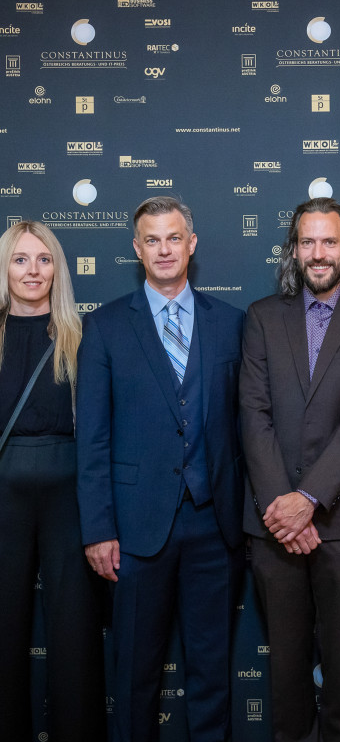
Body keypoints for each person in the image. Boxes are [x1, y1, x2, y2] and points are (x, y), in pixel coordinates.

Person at [76, 195, 245, 742]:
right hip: (134, 528)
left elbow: (247, 428)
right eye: (153, 239)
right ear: (136, 248)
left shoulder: (232, 325)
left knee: (212, 676)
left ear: (192, 244)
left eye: (174, 237)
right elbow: (93, 439)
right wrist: (99, 528)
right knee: (134, 676)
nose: (165, 249)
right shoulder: (103, 328)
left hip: (214, 526)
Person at [239, 196, 340, 742]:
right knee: (284, 672)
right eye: (308, 241)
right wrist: (282, 505)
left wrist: (307, 500)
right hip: (272, 524)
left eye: (330, 241)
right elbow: (252, 414)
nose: (319, 252)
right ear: (294, 249)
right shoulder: (261, 316)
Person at [0, 221, 106, 742]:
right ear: (4, 268)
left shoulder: (82, 336)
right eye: (20, 259)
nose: (32, 271)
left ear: (57, 269)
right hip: (3, 495)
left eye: (44, 260)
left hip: (70, 492)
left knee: (74, 630)